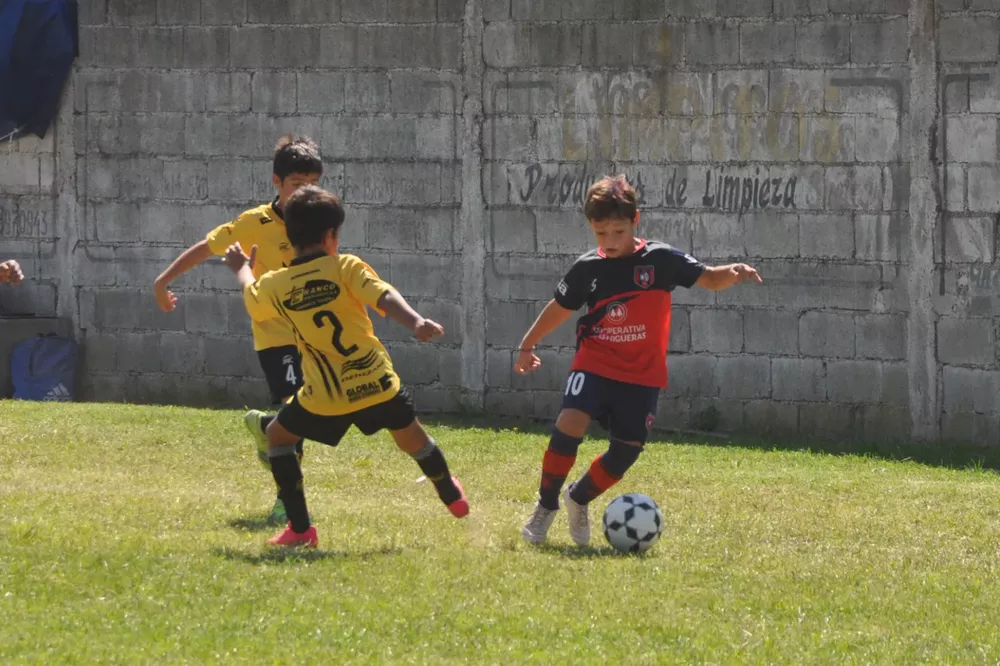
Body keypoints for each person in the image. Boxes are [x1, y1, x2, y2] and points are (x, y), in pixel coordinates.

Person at [517, 174, 762, 546]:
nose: (610, 242)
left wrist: (734, 272)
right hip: (595, 363)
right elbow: (560, 308)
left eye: (617, 232)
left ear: (635, 221)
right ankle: (546, 506)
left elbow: (708, 278)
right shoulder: (588, 268)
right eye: (601, 234)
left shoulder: (660, 260)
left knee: (625, 453)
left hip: (642, 376)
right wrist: (527, 344)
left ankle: (577, 499)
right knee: (569, 425)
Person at [221, 185, 469, 548]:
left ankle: (301, 530)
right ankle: (451, 495)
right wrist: (416, 322)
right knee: (413, 439)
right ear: (330, 235)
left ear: (290, 237)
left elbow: (253, 297)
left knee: (278, 437)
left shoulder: (277, 284)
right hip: (375, 380)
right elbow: (383, 295)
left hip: (325, 394)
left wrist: (242, 268)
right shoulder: (346, 267)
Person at [153, 135, 322, 524]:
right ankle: (288, 501)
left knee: (310, 415)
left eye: (312, 184)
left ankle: (265, 427)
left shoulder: (320, 220)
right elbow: (208, 246)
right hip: (275, 334)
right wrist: (163, 282)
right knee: (294, 412)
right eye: (298, 184)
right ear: (277, 182)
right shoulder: (255, 222)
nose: (305, 192)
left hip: (313, 335)